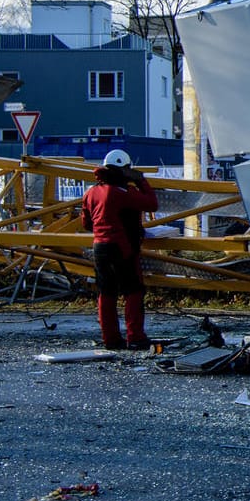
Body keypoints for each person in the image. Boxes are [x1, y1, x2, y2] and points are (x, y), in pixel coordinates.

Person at [81, 149, 159, 350]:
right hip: (123, 247)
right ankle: (135, 337)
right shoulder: (122, 193)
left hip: (100, 247)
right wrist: (141, 181)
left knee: (106, 293)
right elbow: (152, 203)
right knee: (133, 291)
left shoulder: (91, 193)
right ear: (125, 170)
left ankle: (111, 339)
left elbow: (86, 223)